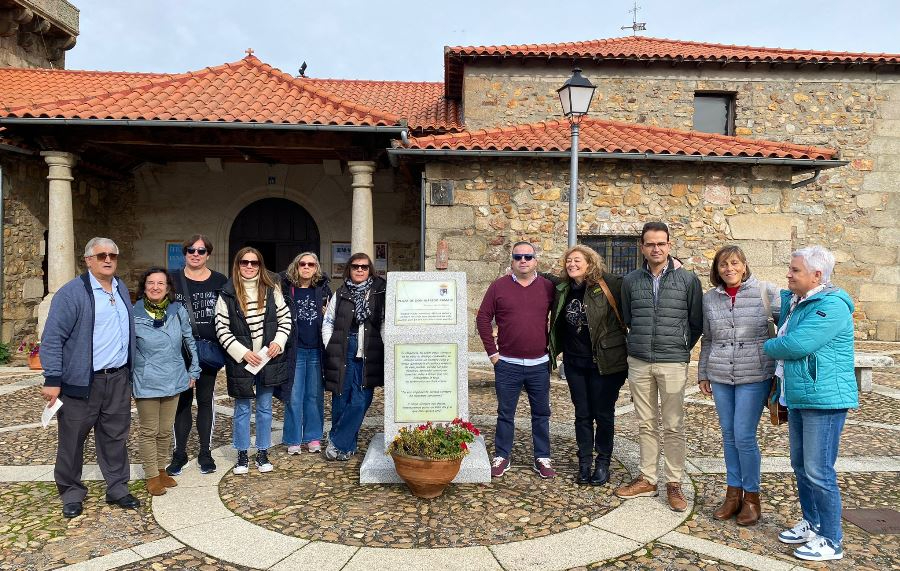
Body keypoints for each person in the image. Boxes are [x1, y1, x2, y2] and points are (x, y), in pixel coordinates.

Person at [763, 246, 857, 562]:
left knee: (819, 471)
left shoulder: (830, 306)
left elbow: (795, 344)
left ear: (817, 275)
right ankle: (813, 523)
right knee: (801, 466)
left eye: (795, 270)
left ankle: (832, 540)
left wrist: (765, 343)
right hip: (801, 395)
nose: (788, 274)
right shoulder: (799, 302)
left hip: (824, 399)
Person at [40, 237, 140, 518]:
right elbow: (52, 338)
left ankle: (117, 488)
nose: (108, 260)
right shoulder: (71, 293)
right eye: (101, 256)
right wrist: (53, 378)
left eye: (112, 255)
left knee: (115, 436)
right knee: (72, 439)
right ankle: (71, 492)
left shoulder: (120, 288)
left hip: (118, 378)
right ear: (88, 260)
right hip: (82, 382)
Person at [615, 222, 702, 512]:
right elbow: (628, 317)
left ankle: (673, 483)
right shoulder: (630, 281)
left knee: (674, 425)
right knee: (646, 423)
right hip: (639, 361)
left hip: (673, 361)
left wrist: (679, 347)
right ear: (642, 247)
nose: (656, 249)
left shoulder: (688, 280)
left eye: (661, 243)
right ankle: (648, 478)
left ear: (669, 245)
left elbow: (695, 322)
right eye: (650, 244)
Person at [698, 246, 779, 526]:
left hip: (754, 375)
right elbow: (707, 338)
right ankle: (733, 494)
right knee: (729, 435)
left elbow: (789, 325)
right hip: (721, 374)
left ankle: (752, 497)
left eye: (734, 263)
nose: (729, 269)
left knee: (744, 435)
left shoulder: (766, 293)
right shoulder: (710, 299)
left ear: (744, 266)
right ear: (716, 269)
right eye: (723, 264)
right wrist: (702, 372)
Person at [548, 245, 628, 486]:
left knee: (603, 415)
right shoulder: (562, 288)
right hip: (574, 363)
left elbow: (634, 284)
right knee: (582, 415)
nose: (572, 264)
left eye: (577, 260)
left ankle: (603, 462)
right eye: (568, 261)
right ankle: (584, 462)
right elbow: (540, 278)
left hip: (605, 363)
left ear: (590, 263)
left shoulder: (609, 284)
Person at [476, 241, 556, 479]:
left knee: (541, 413)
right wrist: (493, 354)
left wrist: (554, 351)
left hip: (539, 364)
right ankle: (502, 456)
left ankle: (542, 457)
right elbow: (482, 318)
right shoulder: (498, 287)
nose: (523, 260)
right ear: (512, 260)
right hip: (507, 364)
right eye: (518, 257)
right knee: (505, 413)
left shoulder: (548, 287)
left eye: (528, 257)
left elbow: (560, 317)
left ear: (535, 261)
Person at [215, 247, 292, 474]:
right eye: (244, 262)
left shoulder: (271, 289)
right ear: (237, 265)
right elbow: (221, 328)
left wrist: (279, 341)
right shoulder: (227, 293)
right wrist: (241, 352)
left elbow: (285, 318)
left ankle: (262, 452)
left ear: (260, 265)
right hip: (242, 361)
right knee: (241, 409)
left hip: (267, 358)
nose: (249, 266)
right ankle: (241, 454)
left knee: (265, 408)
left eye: (254, 262)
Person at [132, 267, 201, 496]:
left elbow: (189, 339)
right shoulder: (134, 313)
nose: (155, 287)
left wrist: (194, 368)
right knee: (149, 430)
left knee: (164, 430)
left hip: (173, 377)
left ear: (168, 287)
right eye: (151, 283)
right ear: (144, 286)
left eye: (160, 283)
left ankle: (161, 469)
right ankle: (151, 475)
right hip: (147, 380)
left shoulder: (177, 309)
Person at [167, 234, 228, 476]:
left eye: (201, 251)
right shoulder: (172, 280)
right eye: (191, 250)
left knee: (205, 400)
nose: (195, 254)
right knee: (181, 402)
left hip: (207, 352)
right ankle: (179, 453)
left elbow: (230, 314)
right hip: (178, 352)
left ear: (208, 255)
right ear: (184, 253)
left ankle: (205, 452)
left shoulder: (220, 281)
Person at [322, 252, 386, 461]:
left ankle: (336, 440)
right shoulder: (340, 293)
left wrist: (387, 347)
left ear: (370, 270)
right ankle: (347, 448)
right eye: (356, 266)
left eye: (364, 267)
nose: (360, 270)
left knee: (361, 400)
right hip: (344, 349)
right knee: (341, 398)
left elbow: (384, 322)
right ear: (349, 269)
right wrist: (330, 345)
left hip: (368, 351)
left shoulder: (379, 292)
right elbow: (329, 321)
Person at [280, 252, 331, 454]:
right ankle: (293, 438)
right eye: (303, 263)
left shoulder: (323, 291)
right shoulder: (286, 290)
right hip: (295, 350)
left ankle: (313, 437)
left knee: (314, 396)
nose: (307, 267)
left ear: (316, 268)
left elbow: (332, 318)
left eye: (311, 264)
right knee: (293, 396)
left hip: (316, 351)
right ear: (296, 266)